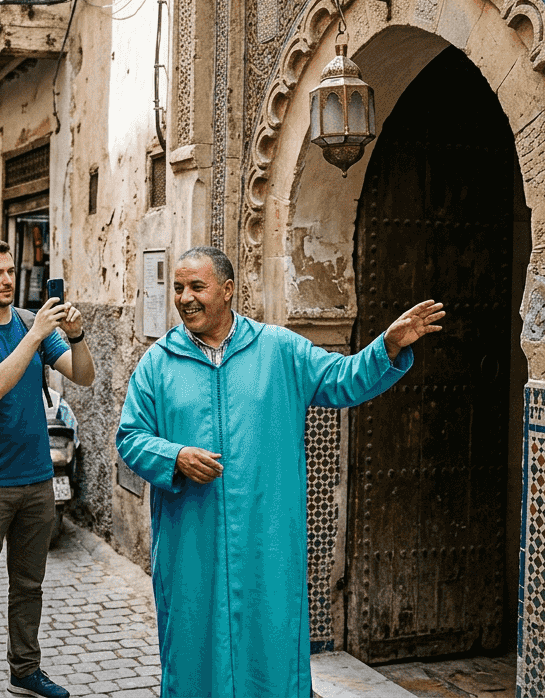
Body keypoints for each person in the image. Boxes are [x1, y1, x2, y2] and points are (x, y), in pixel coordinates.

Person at [115, 247, 446, 698]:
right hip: (189, 542)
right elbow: (131, 437)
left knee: (269, 647)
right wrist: (173, 457)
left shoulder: (279, 349)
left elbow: (342, 378)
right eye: (178, 288)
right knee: (193, 648)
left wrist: (386, 345)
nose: (185, 298)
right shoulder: (158, 363)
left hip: (266, 542)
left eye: (197, 287)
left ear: (228, 291)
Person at [0, 237, 95, 698]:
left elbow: (84, 374)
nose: (9, 280)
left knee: (28, 586)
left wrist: (74, 334)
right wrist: (34, 336)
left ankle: (25, 671)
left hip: (37, 478)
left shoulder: (30, 322)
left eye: (11, 271)